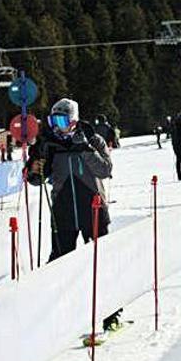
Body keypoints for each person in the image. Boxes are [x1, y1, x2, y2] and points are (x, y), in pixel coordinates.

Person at [27, 98, 112, 261]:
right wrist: (34, 171)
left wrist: (86, 149)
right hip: (63, 210)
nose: (57, 127)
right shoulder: (49, 144)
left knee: (99, 259)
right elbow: (37, 179)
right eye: (53, 121)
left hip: (93, 208)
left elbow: (104, 170)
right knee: (60, 260)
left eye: (61, 121)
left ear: (73, 120)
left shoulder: (93, 140)